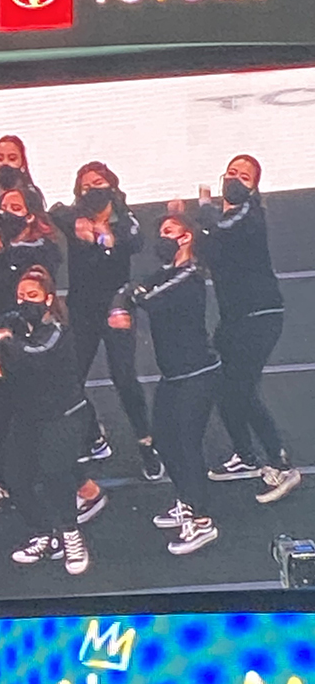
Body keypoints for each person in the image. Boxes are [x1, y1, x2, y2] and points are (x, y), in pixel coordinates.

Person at [0, 266, 105, 576]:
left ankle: (72, 535)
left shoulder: (57, 330)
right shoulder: (14, 323)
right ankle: (46, 532)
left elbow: (34, 354)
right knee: (15, 476)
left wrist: (4, 345)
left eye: (31, 296)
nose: (23, 302)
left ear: (47, 299)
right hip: (27, 414)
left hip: (62, 416)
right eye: (20, 296)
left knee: (55, 474)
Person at [109, 215, 221, 555]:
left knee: (186, 444)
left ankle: (201, 520)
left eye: (169, 233)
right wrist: (124, 299)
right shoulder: (166, 274)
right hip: (173, 376)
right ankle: (186, 500)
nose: (163, 239)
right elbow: (129, 288)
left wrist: (127, 302)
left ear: (186, 238)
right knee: (165, 440)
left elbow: (145, 296)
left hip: (196, 374)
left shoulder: (188, 275)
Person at [196, 154, 301, 502]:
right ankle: (245, 454)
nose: (236, 179)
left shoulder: (248, 214)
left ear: (254, 186)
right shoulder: (225, 219)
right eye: (232, 172)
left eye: (245, 176)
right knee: (224, 389)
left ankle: (281, 464)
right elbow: (207, 253)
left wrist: (204, 206)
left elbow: (220, 228)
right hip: (234, 318)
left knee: (240, 389)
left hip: (260, 315)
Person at [50, 161, 163, 481]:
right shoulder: (74, 217)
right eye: (85, 186)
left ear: (112, 186)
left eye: (98, 182)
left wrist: (103, 236)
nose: (92, 190)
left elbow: (133, 240)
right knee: (70, 380)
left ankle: (146, 443)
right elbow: (56, 211)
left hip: (116, 309)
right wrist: (79, 224)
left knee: (125, 379)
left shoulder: (125, 220)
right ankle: (93, 436)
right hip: (82, 311)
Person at [0, 187, 62, 518]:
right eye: (3, 206)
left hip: (24, 350)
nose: (6, 213)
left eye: (15, 207)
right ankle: (8, 484)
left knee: (28, 424)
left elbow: (31, 261)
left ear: (31, 214)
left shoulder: (38, 249)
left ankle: (78, 489)